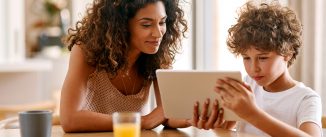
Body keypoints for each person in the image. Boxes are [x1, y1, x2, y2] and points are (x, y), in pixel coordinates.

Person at [190, 1, 322, 137]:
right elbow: (228, 130)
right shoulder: (246, 86)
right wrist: (215, 124)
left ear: (287, 53)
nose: (253, 69)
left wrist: (252, 114)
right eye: (246, 58)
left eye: (263, 58)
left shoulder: (305, 99)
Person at [60, 0, 188, 132]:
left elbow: (165, 113)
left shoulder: (157, 56)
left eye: (162, 22)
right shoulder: (86, 51)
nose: (158, 33)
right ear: (121, 25)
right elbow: (70, 119)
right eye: (146, 24)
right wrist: (142, 121)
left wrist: (190, 117)